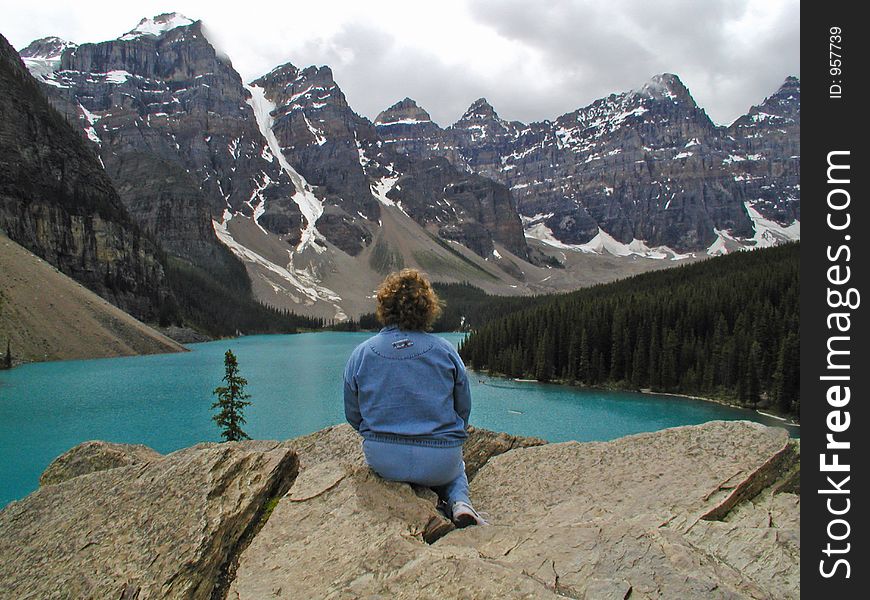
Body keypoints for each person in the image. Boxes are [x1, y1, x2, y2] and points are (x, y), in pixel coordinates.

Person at [343, 268, 487, 527]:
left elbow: (353, 414)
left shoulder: (361, 354)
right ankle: (460, 502)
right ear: (427, 307)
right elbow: (463, 407)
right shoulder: (445, 350)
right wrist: (450, 434)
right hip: (440, 460)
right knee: (457, 471)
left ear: (384, 307)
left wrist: (375, 432)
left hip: (385, 460)